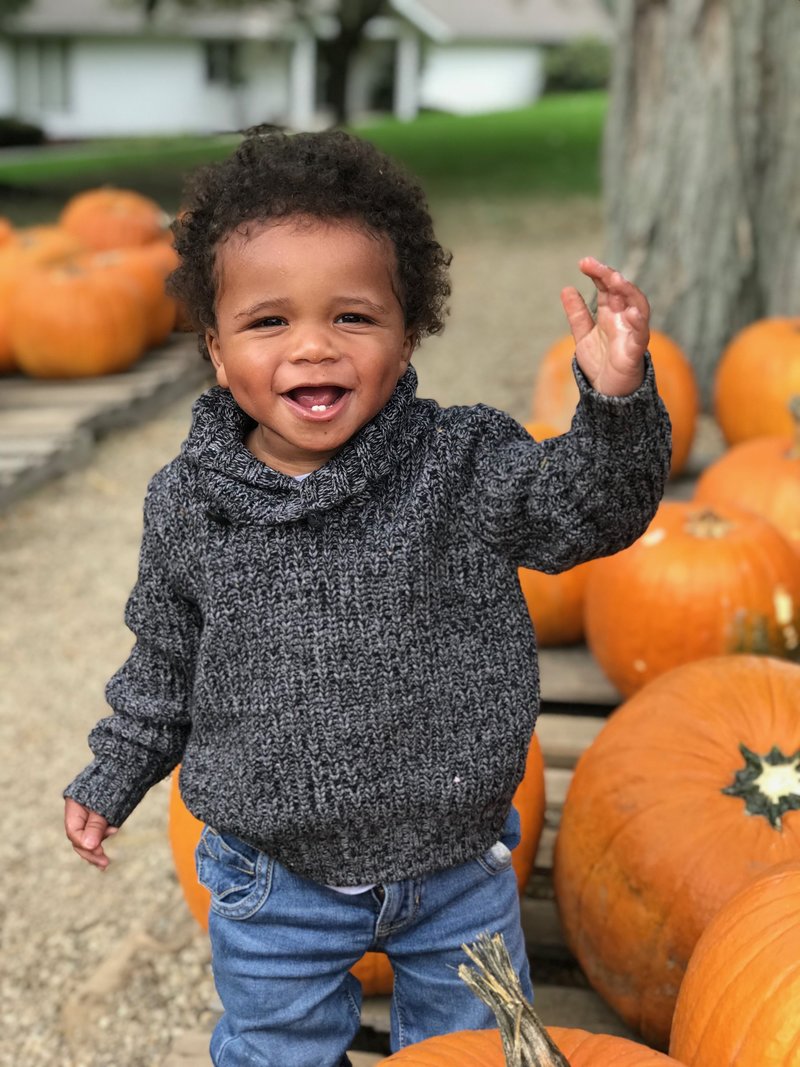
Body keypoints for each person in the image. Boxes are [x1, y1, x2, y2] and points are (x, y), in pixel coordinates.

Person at [64, 127, 671, 1067]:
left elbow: (584, 513)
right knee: (278, 1054)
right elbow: (164, 660)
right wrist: (114, 772)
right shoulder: (189, 504)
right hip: (276, 877)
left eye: (353, 317)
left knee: (477, 1056)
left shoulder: (462, 461)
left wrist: (616, 402)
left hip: (459, 864)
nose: (313, 346)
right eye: (269, 323)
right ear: (216, 350)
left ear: (407, 332)